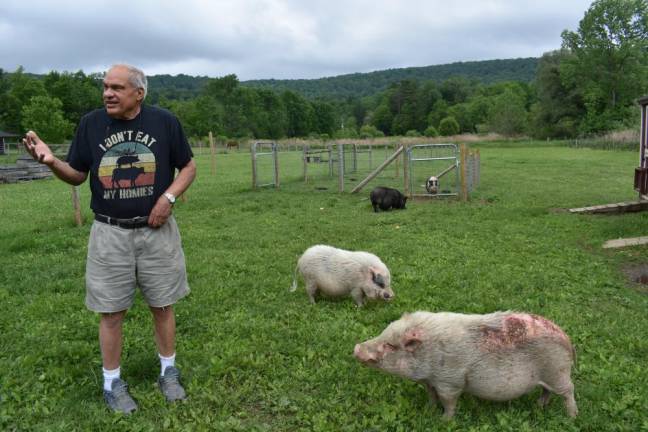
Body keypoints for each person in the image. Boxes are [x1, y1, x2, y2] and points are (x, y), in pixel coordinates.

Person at [23, 64, 196, 414]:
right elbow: (76, 175)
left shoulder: (164, 122)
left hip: (156, 232)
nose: (107, 93)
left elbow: (188, 166)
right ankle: (112, 382)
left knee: (163, 305)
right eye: (105, 87)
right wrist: (51, 161)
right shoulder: (91, 124)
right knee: (111, 313)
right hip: (109, 233)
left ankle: (168, 372)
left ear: (139, 94)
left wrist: (168, 198)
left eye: (117, 87)